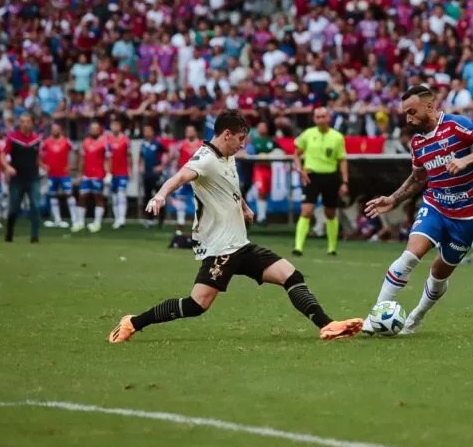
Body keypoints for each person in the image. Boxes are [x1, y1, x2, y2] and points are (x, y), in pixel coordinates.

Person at [107, 109, 363, 343]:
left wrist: (244, 207)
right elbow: (179, 176)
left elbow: (229, 186)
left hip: (240, 244)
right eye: (240, 138)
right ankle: (132, 322)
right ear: (226, 134)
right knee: (197, 305)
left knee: (291, 275)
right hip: (220, 250)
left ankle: (327, 325)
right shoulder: (205, 159)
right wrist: (160, 195)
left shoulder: (227, 156)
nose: (243, 144)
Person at [363, 85, 473, 335]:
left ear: (429, 106)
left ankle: (417, 316)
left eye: (412, 112)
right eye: (405, 113)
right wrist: (393, 199)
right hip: (435, 206)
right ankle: (375, 317)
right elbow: (418, 178)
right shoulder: (417, 143)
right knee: (410, 256)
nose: (408, 119)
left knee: (438, 274)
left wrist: (465, 160)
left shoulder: (456, 125)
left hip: (467, 215)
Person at [291, 107, 349, 256]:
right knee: (306, 211)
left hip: (330, 177)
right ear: (314, 119)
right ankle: (298, 247)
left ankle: (332, 248)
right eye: (318, 117)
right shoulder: (308, 134)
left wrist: (344, 181)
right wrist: (301, 170)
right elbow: (296, 155)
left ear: (329, 118)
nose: (321, 119)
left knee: (330, 213)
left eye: (323, 116)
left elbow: (342, 160)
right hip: (312, 177)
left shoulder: (337, 137)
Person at [3, 113, 42, 243]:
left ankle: (35, 236)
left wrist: (43, 166)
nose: (25, 124)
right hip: (17, 178)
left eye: (27, 121)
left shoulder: (37, 139)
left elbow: (38, 157)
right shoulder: (12, 138)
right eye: (22, 121)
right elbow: (2, 155)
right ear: (19, 123)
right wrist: (7, 167)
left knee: (35, 206)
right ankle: (9, 234)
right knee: (14, 208)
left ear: (32, 123)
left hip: (33, 177)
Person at [74, 121, 108, 233]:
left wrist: (108, 173)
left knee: (98, 197)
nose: (94, 130)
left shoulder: (104, 142)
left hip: (98, 174)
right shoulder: (85, 142)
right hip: (86, 174)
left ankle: (97, 223)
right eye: (92, 128)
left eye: (96, 128)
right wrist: (80, 174)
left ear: (99, 130)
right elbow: (82, 159)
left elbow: (108, 159)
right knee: (82, 197)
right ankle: (80, 222)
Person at [41, 123, 77, 228]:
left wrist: (71, 165)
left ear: (60, 130)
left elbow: (78, 152)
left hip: (64, 174)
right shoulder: (46, 142)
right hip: (51, 174)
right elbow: (37, 155)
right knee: (53, 195)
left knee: (69, 194)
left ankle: (75, 220)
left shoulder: (66, 141)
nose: (55, 131)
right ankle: (57, 220)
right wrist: (43, 165)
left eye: (57, 129)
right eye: (53, 129)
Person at [247, 121, 281, 225]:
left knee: (265, 192)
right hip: (259, 169)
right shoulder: (253, 142)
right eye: (260, 126)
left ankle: (263, 216)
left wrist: (272, 154)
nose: (262, 128)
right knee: (260, 191)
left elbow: (280, 152)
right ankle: (260, 217)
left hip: (269, 169)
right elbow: (249, 153)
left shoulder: (272, 141)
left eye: (264, 126)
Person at [171, 125, 203, 231]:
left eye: (191, 130)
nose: (189, 132)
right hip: (183, 176)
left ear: (196, 132)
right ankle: (181, 222)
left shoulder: (202, 145)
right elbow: (175, 159)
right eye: (187, 130)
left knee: (199, 200)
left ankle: (199, 224)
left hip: (197, 176)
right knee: (179, 198)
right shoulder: (180, 144)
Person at [139, 124, 169, 228]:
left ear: (152, 132)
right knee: (148, 197)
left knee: (159, 196)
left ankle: (162, 220)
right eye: (145, 131)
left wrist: (162, 166)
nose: (146, 133)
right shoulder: (143, 144)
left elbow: (167, 153)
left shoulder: (158, 143)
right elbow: (141, 157)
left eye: (148, 130)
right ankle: (150, 219)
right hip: (147, 175)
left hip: (157, 175)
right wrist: (141, 166)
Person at [107, 118, 131, 229]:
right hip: (112, 172)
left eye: (117, 125)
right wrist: (107, 172)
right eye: (113, 125)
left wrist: (130, 169)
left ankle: (122, 219)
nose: (115, 127)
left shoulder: (125, 139)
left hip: (122, 171)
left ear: (120, 127)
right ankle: (116, 218)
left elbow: (129, 155)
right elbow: (106, 157)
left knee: (121, 194)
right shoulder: (107, 139)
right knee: (114, 196)